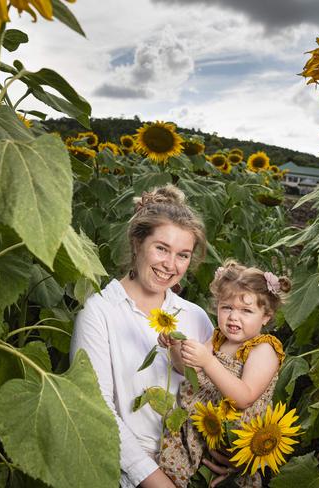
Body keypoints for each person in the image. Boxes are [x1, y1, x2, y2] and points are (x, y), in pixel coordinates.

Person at [70, 184, 214, 488]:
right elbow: (96, 410)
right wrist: (156, 481)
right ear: (137, 243)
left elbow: (213, 394)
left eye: (183, 255)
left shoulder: (195, 317)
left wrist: (226, 452)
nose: (170, 265)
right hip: (125, 474)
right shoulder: (99, 313)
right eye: (161, 248)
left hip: (194, 469)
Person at [158, 260, 292, 488]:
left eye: (246, 311)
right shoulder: (218, 338)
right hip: (199, 430)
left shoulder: (264, 348)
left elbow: (244, 397)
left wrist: (209, 361)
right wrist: (174, 348)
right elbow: (187, 370)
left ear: (266, 316)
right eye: (226, 307)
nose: (233, 317)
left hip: (232, 441)